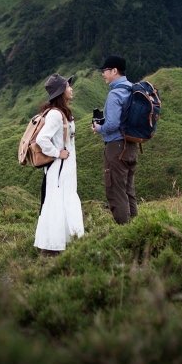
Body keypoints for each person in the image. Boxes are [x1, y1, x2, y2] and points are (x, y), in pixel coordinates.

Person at [34, 73, 85, 254]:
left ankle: (61, 243)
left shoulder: (60, 113)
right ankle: (55, 246)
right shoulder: (56, 115)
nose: (71, 89)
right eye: (68, 86)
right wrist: (57, 153)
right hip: (59, 169)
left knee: (62, 202)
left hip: (64, 168)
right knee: (58, 202)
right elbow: (42, 139)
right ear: (61, 92)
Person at [91, 55, 137, 224]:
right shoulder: (132, 89)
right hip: (131, 146)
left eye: (105, 71)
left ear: (114, 71)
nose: (103, 74)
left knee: (116, 193)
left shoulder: (114, 94)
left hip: (116, 148)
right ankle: (136, 228)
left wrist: (99, 128)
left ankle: (125, 233)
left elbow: (112, 124)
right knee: (128, 191)